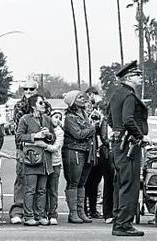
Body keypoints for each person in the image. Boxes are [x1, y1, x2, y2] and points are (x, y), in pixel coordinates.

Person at [107, 60, 149, 237]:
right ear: (129, 78)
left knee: (121, 184)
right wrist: (139, 136)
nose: (140, 78)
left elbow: (109, 118)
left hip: (119, 145)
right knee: (130, 185)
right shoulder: (129, 96)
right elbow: (128, 119)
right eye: (137, 75)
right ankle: (123, 225)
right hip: (128, 146)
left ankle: (120, 221)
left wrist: (119, 133)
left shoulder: (117, 94)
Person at [16, 94, 55, 226]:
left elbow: (53, 137)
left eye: (43, 103)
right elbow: (19, 136)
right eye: (40, 103)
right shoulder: (25, 119)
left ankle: (40, 215)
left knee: (42, 190)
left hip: (45, 159)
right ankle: (28, 216)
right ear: (33, 105)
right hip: (31, 158)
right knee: (30, 189)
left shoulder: (47, 119)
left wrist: (48, 135)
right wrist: (35, 136)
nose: (43, 105)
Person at [62, 90, 95, 224]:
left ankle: (81, 212)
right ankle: (73, 213)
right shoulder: (70, 118)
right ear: (72, 101)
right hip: (73, 151)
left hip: (86, 151)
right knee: (73, 182)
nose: (83, 99)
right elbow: (79, 134)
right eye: (79, 97)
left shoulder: (85, 114)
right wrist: (92, 128)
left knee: (82, 183)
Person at [9, 80, 39, 225]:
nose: (28, 90)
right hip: (23, 147)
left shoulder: (43, 104)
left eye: (31, 88)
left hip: (42, 147)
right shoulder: (19, 106)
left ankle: (37, 211)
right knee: (21, 179)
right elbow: (18, 131)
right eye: (25, 88)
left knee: (39, 181)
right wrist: (19, 149)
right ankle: (17, 211)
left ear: (36, 89)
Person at [85, 97, 113, 221]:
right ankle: (85, 209)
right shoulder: (85, 119)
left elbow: (104, 136)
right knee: (88, 183)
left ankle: (93, 209)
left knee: (97, 182)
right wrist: (93, 124)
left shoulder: (106, 121)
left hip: (102, 154)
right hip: (90, 152)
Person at [45, 110, 64, 225]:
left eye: (59, 118)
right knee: (42, 189)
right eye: (55, 117)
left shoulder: (59, 132)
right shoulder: (44, 128)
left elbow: (56, 147)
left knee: (53, 189)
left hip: (55, 163)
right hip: (44, 162)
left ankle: (52, 213)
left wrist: (44, 146)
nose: (57, 119)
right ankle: (42, 212)